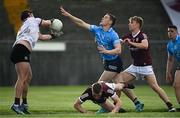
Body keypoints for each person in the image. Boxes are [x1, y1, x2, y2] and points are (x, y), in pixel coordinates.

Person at [60, 6, 144, 112]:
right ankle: (137, 103)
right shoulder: (97, 29)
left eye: (105, 17)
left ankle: (106, 108)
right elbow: (81, 23)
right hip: (109, 61)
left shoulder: (113, 35)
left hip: (114, 62)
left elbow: (118, 50)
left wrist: (106, 51)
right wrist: (68, 15)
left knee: (99, 85)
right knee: (119, 85)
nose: (102, 18)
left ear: (110, 22)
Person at [114, 16, 176, 112]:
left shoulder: (142, 35)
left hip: (145, 67)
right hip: (134, 67)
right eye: (129, 22)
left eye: (131, 22)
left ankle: (170, 106)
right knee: (118, 81)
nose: (129, 24)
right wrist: (115, 42)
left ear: (137, 24)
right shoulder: (128, 36)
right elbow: (118, 42)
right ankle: (118, 105)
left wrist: (131, 43)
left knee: (155, 87)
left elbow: (145, 45)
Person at [10, 10, 59, 114]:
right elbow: (48, 23)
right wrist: (54, 21)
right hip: (21, 49)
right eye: (32, 13)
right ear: (29, 15)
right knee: (22, 78)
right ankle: (16, 104)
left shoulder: (26, 27)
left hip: (21, 50)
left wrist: (53, 36)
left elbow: (41, 37)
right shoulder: (34, 20)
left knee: (28, 77)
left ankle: (24, 104)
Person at [166, 25, 180, 111]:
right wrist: (168, 72)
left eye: (172, 31)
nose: (170, 33)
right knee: (176, 85)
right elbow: (170, 60)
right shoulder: (169, 45)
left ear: (176, 32)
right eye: (168, 31)